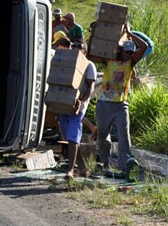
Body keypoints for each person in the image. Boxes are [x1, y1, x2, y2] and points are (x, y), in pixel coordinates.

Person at [94, 27, 147, 178]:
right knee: (103, 136)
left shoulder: (131, 63)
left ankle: (125, 166)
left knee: (124, 135)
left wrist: (130, 34)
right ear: (121, 50)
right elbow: (93, 53)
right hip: (104, 103)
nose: (128, 54)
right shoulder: (109, 60)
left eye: (131, 52)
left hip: (121, 105)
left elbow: (144, 47)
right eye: (126, 52)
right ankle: (105, 163)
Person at [57, 40, 96, 180]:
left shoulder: (89, 65)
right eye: (74, 47)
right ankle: (83, 168)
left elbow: (91, 87)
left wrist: (81, 101)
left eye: (80, 48)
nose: (77, 49)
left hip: (77, 108)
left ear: (85, 51)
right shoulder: (68, 62)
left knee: (73, 138)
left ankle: (70, 171)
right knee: (70, 138)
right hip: (63, 105)